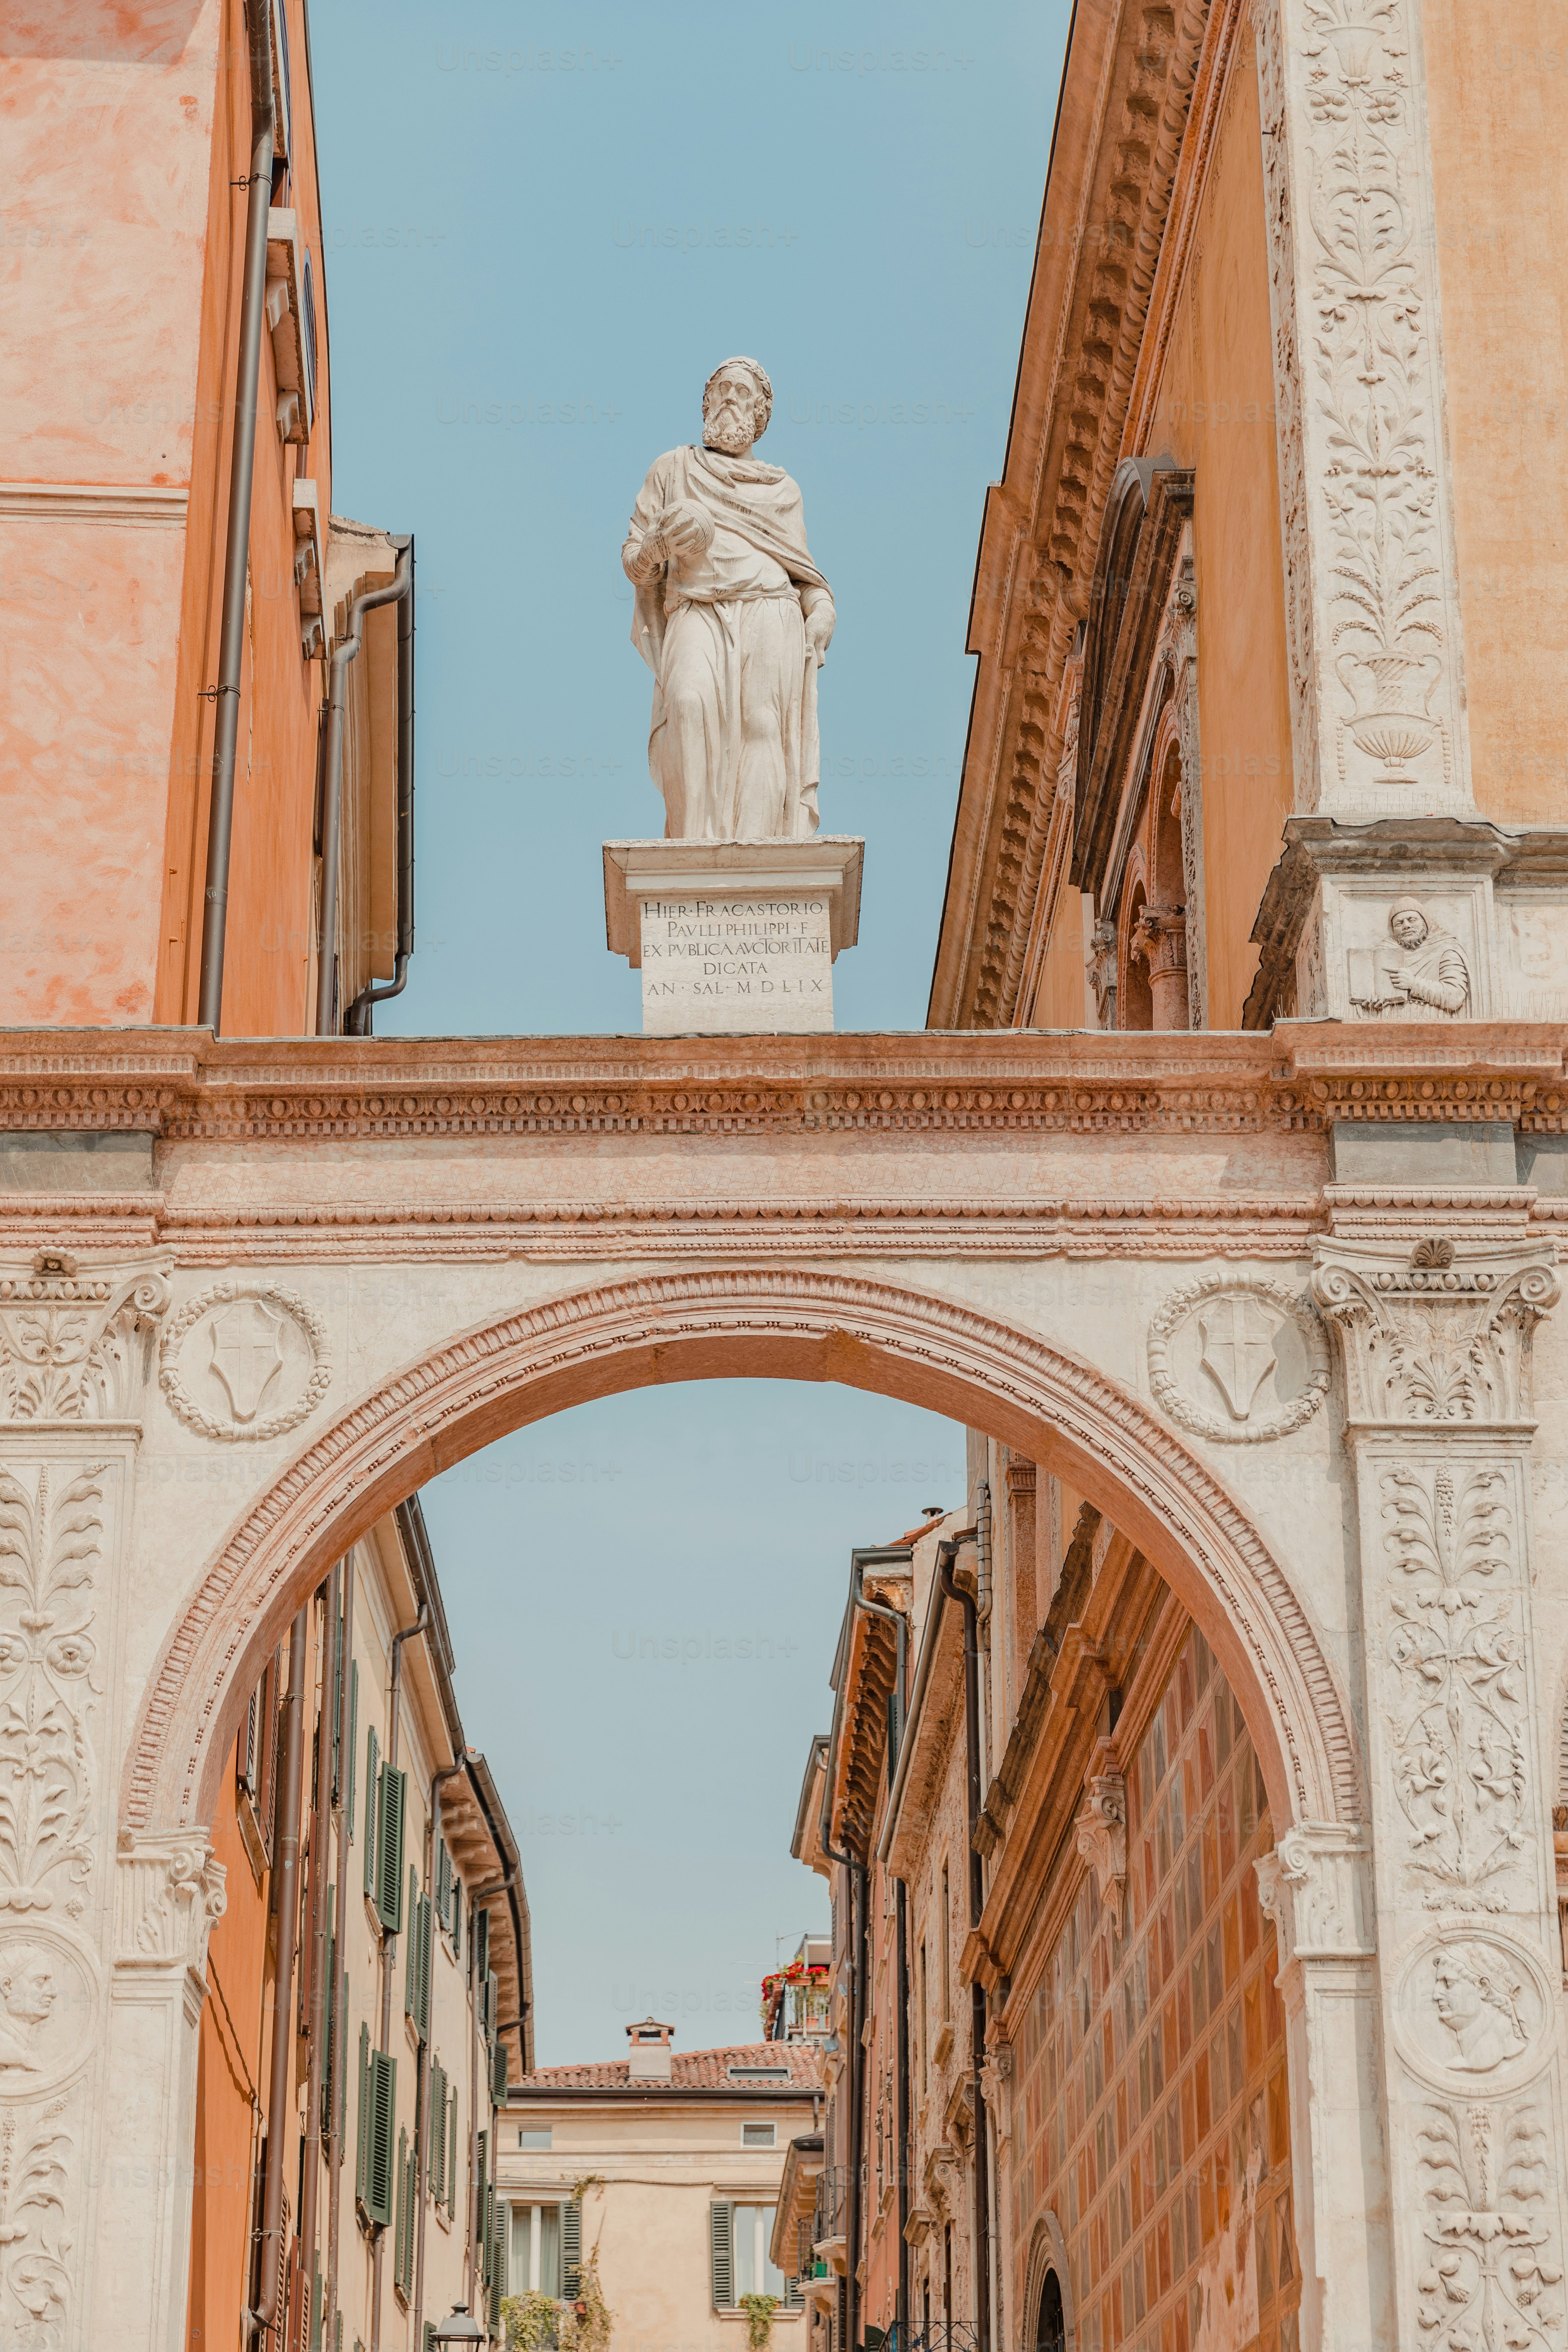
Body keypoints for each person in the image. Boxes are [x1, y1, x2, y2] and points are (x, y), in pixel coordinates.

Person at [623, 358, 835, 839]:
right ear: (705, 404)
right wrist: (660, 547)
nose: (729, 399)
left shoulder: (782, 489)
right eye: (720, 391)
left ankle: (762, 850)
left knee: (763, 728)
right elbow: (635, 561)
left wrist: (823, 612)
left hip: (770, 608)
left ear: (761, 415)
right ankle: (695, 843)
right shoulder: (673, 469)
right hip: (694, 606)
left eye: (741, 392)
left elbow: (808, 578)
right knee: (688, 701)